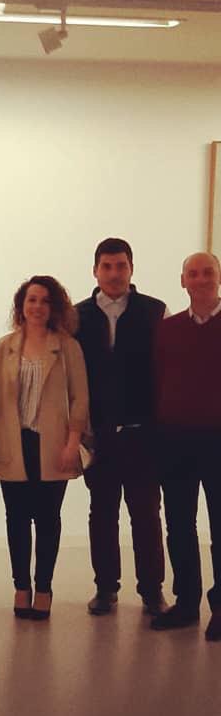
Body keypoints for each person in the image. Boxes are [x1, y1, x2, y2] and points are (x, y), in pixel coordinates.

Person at [0, 275, 88, 620]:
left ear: (54, 307)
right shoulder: (5, 346)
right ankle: (20, 586)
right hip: (13, 441)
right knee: (16, 518)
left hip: (53, 443)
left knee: (47, 518)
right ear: (21, 305)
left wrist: (73, 442)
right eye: (31, 300)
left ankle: (44, 588)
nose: (38, 306)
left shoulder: (68, 347)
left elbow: (80, 399)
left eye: (45, 300)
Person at [74, 238, 168, 617]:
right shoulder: (77, 316)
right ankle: (105, 589)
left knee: (146, 514)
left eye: (121, 266)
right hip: (98, 435)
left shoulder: (154, 311)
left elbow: (165, 371)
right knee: (102, 513)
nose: (114, 273)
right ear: (95, 271)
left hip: (142, 433)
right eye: (107, 266)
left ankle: (152, 591)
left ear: (131, 269)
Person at [150, 252, 221, 641]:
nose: (201, 279)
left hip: (218, 440)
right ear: (183, 281)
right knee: (179, 524)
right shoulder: (168, 329)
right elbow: (157, 381)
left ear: (219, 277)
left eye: (208, 272)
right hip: (175, 440)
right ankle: (186, 602)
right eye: (193, 273)